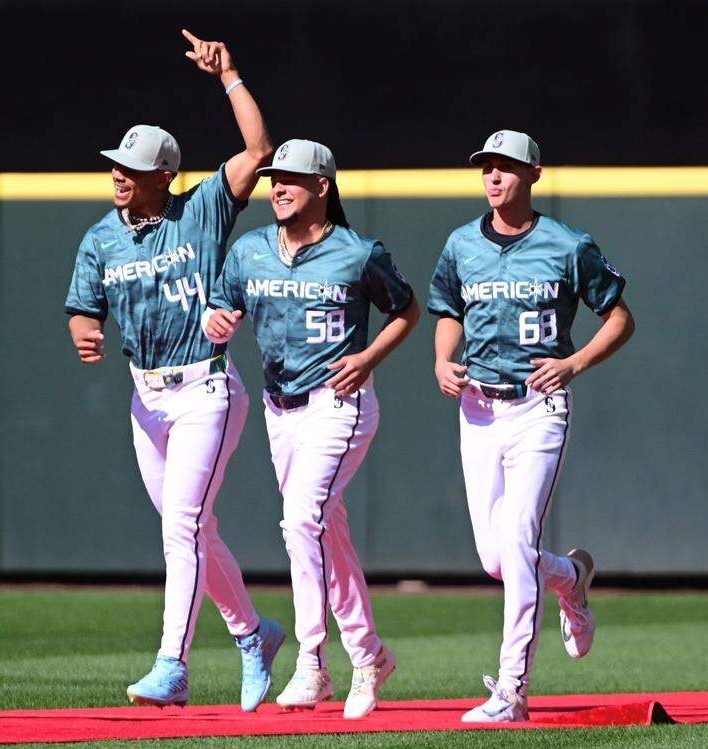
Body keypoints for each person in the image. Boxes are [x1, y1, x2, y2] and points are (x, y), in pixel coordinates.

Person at [63, 30, 284, 712]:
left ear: (165, 174)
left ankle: (173, 666)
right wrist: (86, 331)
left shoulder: (202, 210)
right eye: (115, 164)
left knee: (182, 527)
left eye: (132, 166)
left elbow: (260, 154)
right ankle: (253, 633)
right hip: (146, 399)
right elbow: (81, 307)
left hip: (205, 391)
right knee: (195, 529)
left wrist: (230, 75)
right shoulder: (101, 235)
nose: (119, 174)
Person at [204, 139, 421, 719]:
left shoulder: (357, 251)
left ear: (323, 185)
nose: (277, 186)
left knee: (302, 520)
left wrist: (369, 356)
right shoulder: (250, 250)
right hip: (281, 409)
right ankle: (370, 653)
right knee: (327, 531)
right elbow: (220, 310)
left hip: (339, 402)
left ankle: (311, 661)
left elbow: (406, 308)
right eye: (274, 177)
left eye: (292, 178)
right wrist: (216, 320)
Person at [427, 130, 636, 723]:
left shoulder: (568, 245)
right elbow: (446, 310)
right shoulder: (462, 243)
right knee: (496, 559)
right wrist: (443, 360)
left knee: (517, 540)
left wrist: (573, 363)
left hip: (538, 406)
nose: (494, 176)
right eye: (487, 167)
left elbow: (620, 317)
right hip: (477, 409)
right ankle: (571, 576)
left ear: (534, 174)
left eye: (506, 167)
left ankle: (512, 691)